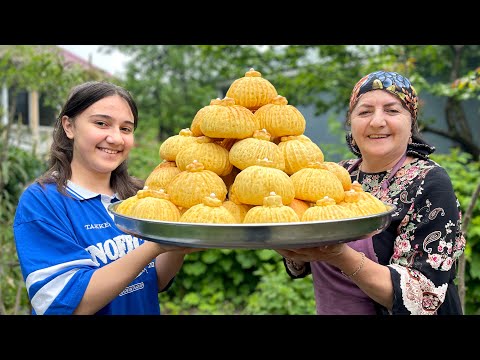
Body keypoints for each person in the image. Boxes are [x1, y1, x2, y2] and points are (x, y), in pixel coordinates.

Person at [276, 70, 466, 315]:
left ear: (411, 124)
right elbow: (303, 262)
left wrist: (341, 255)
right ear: (351, 122)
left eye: (392, 110)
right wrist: (289, 242)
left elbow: (423, 297)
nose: (377, 121)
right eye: (364, 111)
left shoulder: (428, 181)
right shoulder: (337, 176)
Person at [13, 81, 196, 315]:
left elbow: (155, 280)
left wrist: (178, 244)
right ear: (69, 126)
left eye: (126, 129)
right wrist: (155, 245)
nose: (116, 138)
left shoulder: (138, 196)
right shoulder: (42, 202)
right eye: (102, 123)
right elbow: (64, 304)